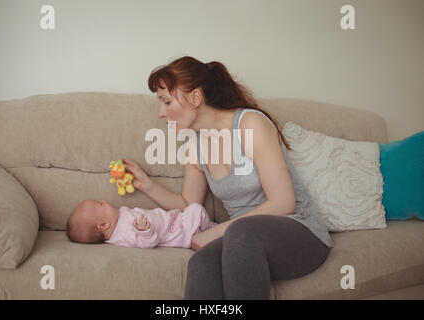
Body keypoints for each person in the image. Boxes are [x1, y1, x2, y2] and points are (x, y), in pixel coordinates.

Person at [122, 56, 333, 299]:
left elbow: (284, 203)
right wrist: (145, 184)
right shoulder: (195, 147)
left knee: (241, 234)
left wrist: (217, 231)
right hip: (243, 243)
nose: (161, 113)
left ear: (195, 98)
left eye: (167, 101)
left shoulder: (249, 124)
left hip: (301, 234)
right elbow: (188, 204)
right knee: (201, 262)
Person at [66, 199, 216, 249]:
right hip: (180, 231)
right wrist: (145, 232)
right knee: (196, 209)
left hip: (174, 220)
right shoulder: (125, 231)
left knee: (194, 211)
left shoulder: (118, 221)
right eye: (100, 204)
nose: (104, 201)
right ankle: (210, 231)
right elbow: (147, 243)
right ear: (103, 225)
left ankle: (210, 230)